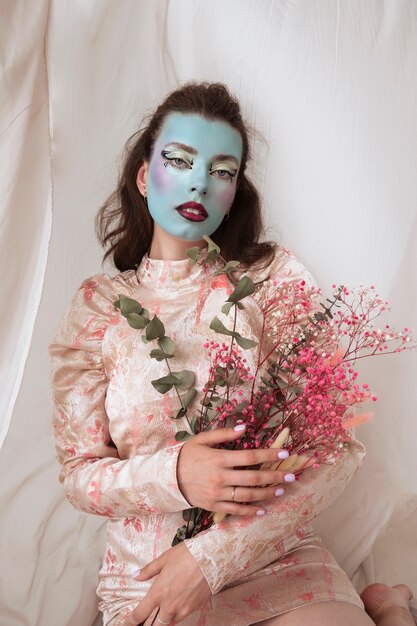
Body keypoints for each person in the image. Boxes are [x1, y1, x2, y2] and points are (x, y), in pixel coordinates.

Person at [49, 81, 414, 626]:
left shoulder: (272, 280)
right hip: (151, 577)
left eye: (222, 170)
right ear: (145, 177)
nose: (200, 180)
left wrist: (212, 558)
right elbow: (80, 475)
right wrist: (177, 473)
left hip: (275, 561)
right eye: (180, 159)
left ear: (233, 193)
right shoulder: (99, 306)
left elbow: (335, 447)